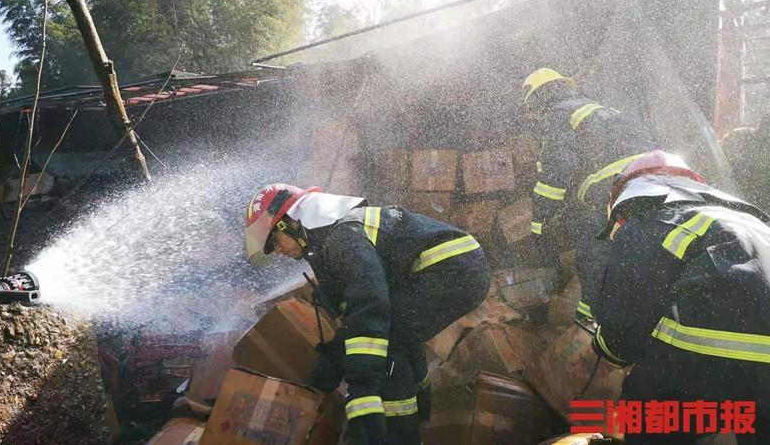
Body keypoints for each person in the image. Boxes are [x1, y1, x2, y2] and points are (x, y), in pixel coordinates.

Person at [244, 184, 491, 445]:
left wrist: (362, 390)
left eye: (274, 241)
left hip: (454, 268)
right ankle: (417, 411)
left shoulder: (342, 239)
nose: (277, 251)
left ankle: (395, 438)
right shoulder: (327, 242)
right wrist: (331, 365)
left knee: (385, 345)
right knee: (396, 334)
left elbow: (369, 306)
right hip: (458, 267)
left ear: (291, 223)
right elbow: (359, 320)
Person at [591, 150, 770, 444]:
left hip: (707, 363)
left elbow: (622, 332)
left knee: (648, 410)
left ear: (627, 199)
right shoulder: (745, 219)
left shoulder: (649, 220)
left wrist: (603, 345)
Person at [521, 67, 656, 321]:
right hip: (651, 183)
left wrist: (539, 225)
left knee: (593, 258)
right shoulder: (597, 109)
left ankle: (591, 324)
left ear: (540, 98)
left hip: (613, 187)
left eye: (533, 110)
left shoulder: (558, 113)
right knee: (637, 253)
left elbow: (557, 171)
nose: (534, 117)